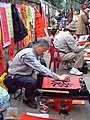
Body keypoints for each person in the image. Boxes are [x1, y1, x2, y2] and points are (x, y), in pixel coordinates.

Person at [7, 39, 63, 109]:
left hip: (24, 72)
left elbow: (38, 66)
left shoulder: (34, 52)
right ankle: (27, 100)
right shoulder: (28, 54)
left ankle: (34, 90)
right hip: (15, 75)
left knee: (42, 74)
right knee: (31, 81)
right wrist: (57, 76)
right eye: (44, 50)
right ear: (38, 46)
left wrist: (37, 73)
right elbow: (38, 67)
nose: (44, 52)